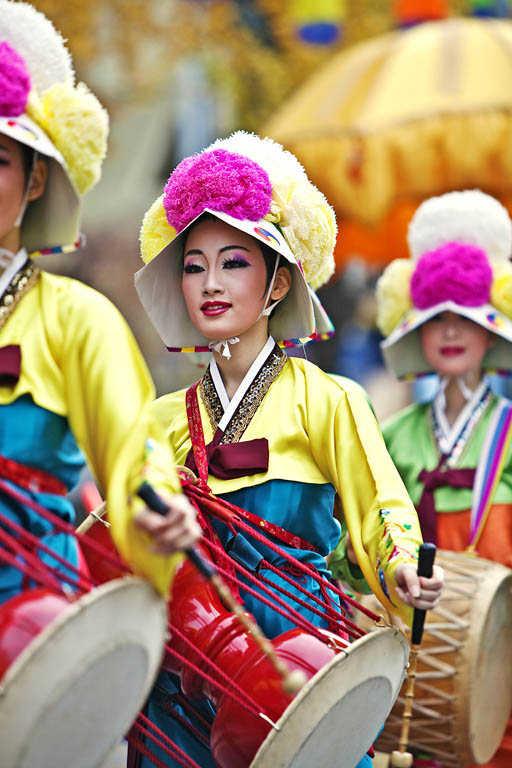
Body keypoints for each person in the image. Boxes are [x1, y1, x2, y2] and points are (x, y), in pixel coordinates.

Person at [132, 131, 444, 767]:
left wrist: (403, 565)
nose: (210, 283)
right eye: (194, 266)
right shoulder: (162, 420)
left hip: (297, 653)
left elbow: (381, 509)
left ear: (278, 285)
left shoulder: (328, 400)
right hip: (188, 671)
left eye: (234, 263)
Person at [0, 0, 199, 607]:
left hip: (33, 618)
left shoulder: (79, 318)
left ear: (36, 182)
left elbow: (134, 451)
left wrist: (159, 509)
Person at [375, 189, 512, 768]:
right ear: (415, 334)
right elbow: (366, 528)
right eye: (436, 322)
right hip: (419, 639)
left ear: (492, 331)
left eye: (466, 320)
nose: (451, 333)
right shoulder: (394, 432)